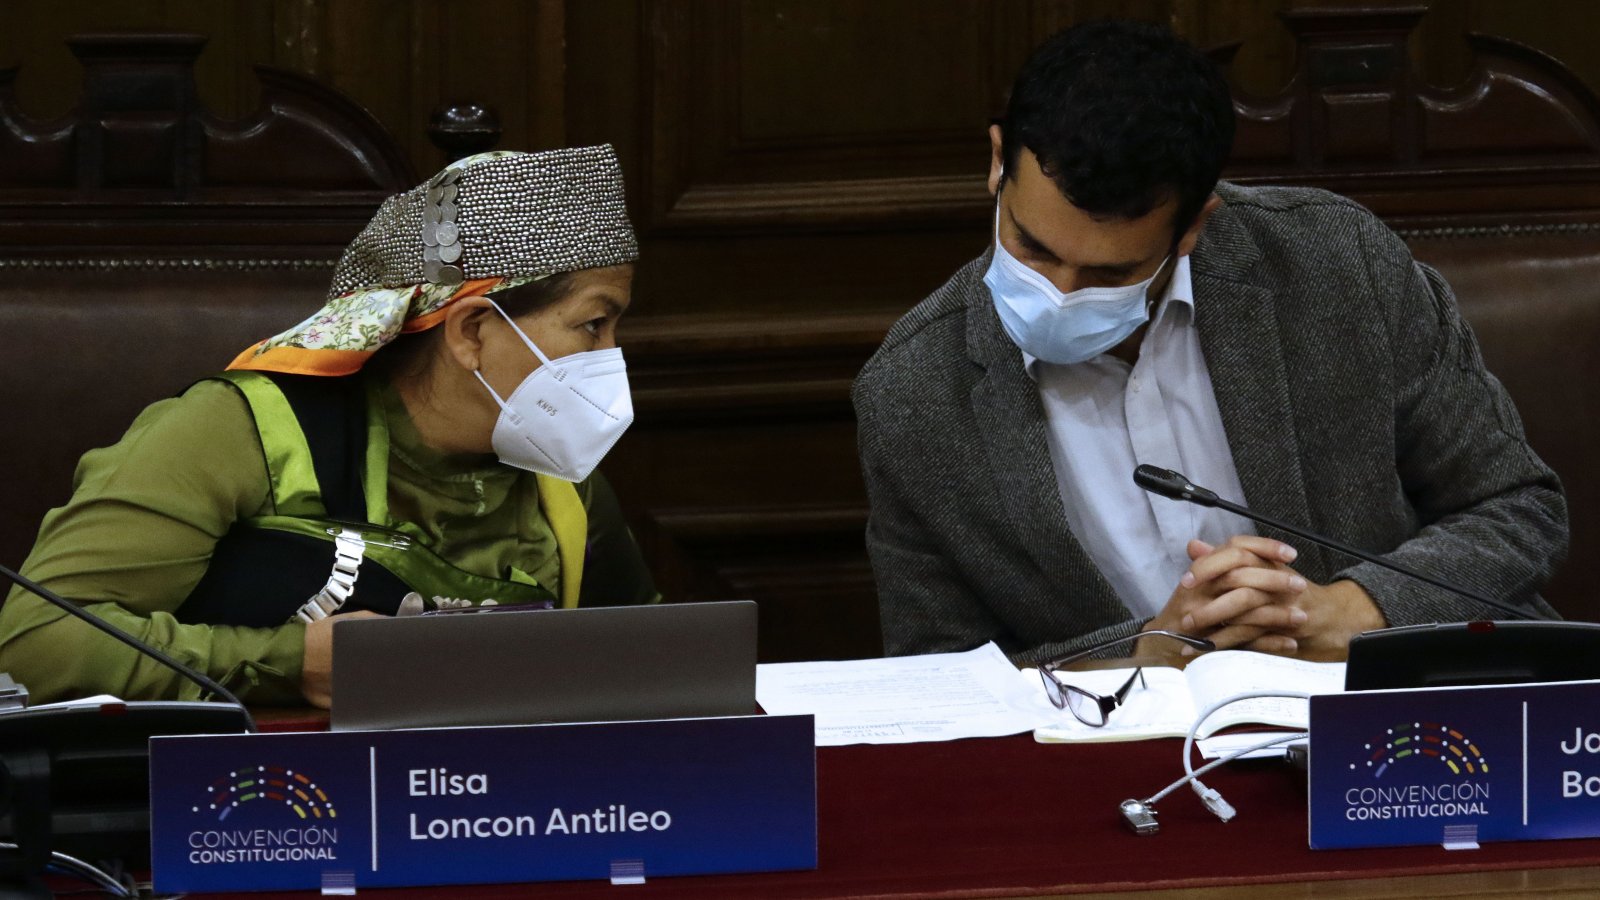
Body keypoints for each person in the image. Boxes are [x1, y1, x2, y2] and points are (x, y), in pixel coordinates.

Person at [852, 21, 1567, 665]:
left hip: (1385, 731)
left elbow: (1517, 510)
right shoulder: (913, 394)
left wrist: (1356, 611)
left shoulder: (1339, 264)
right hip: (1118, 770)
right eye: (1032, 248)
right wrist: (1149, 653)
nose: (1061, 293)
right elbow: (936, 680)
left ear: (1196, 224)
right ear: (998, 161)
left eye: (1111, 272)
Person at [0, 146, 657, 707]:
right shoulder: (234, 431)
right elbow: (35, 642)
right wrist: (288, 661)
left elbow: (660, 675)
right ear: (473, 332)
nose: (611, 359)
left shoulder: (561, 482)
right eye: (592, 324)